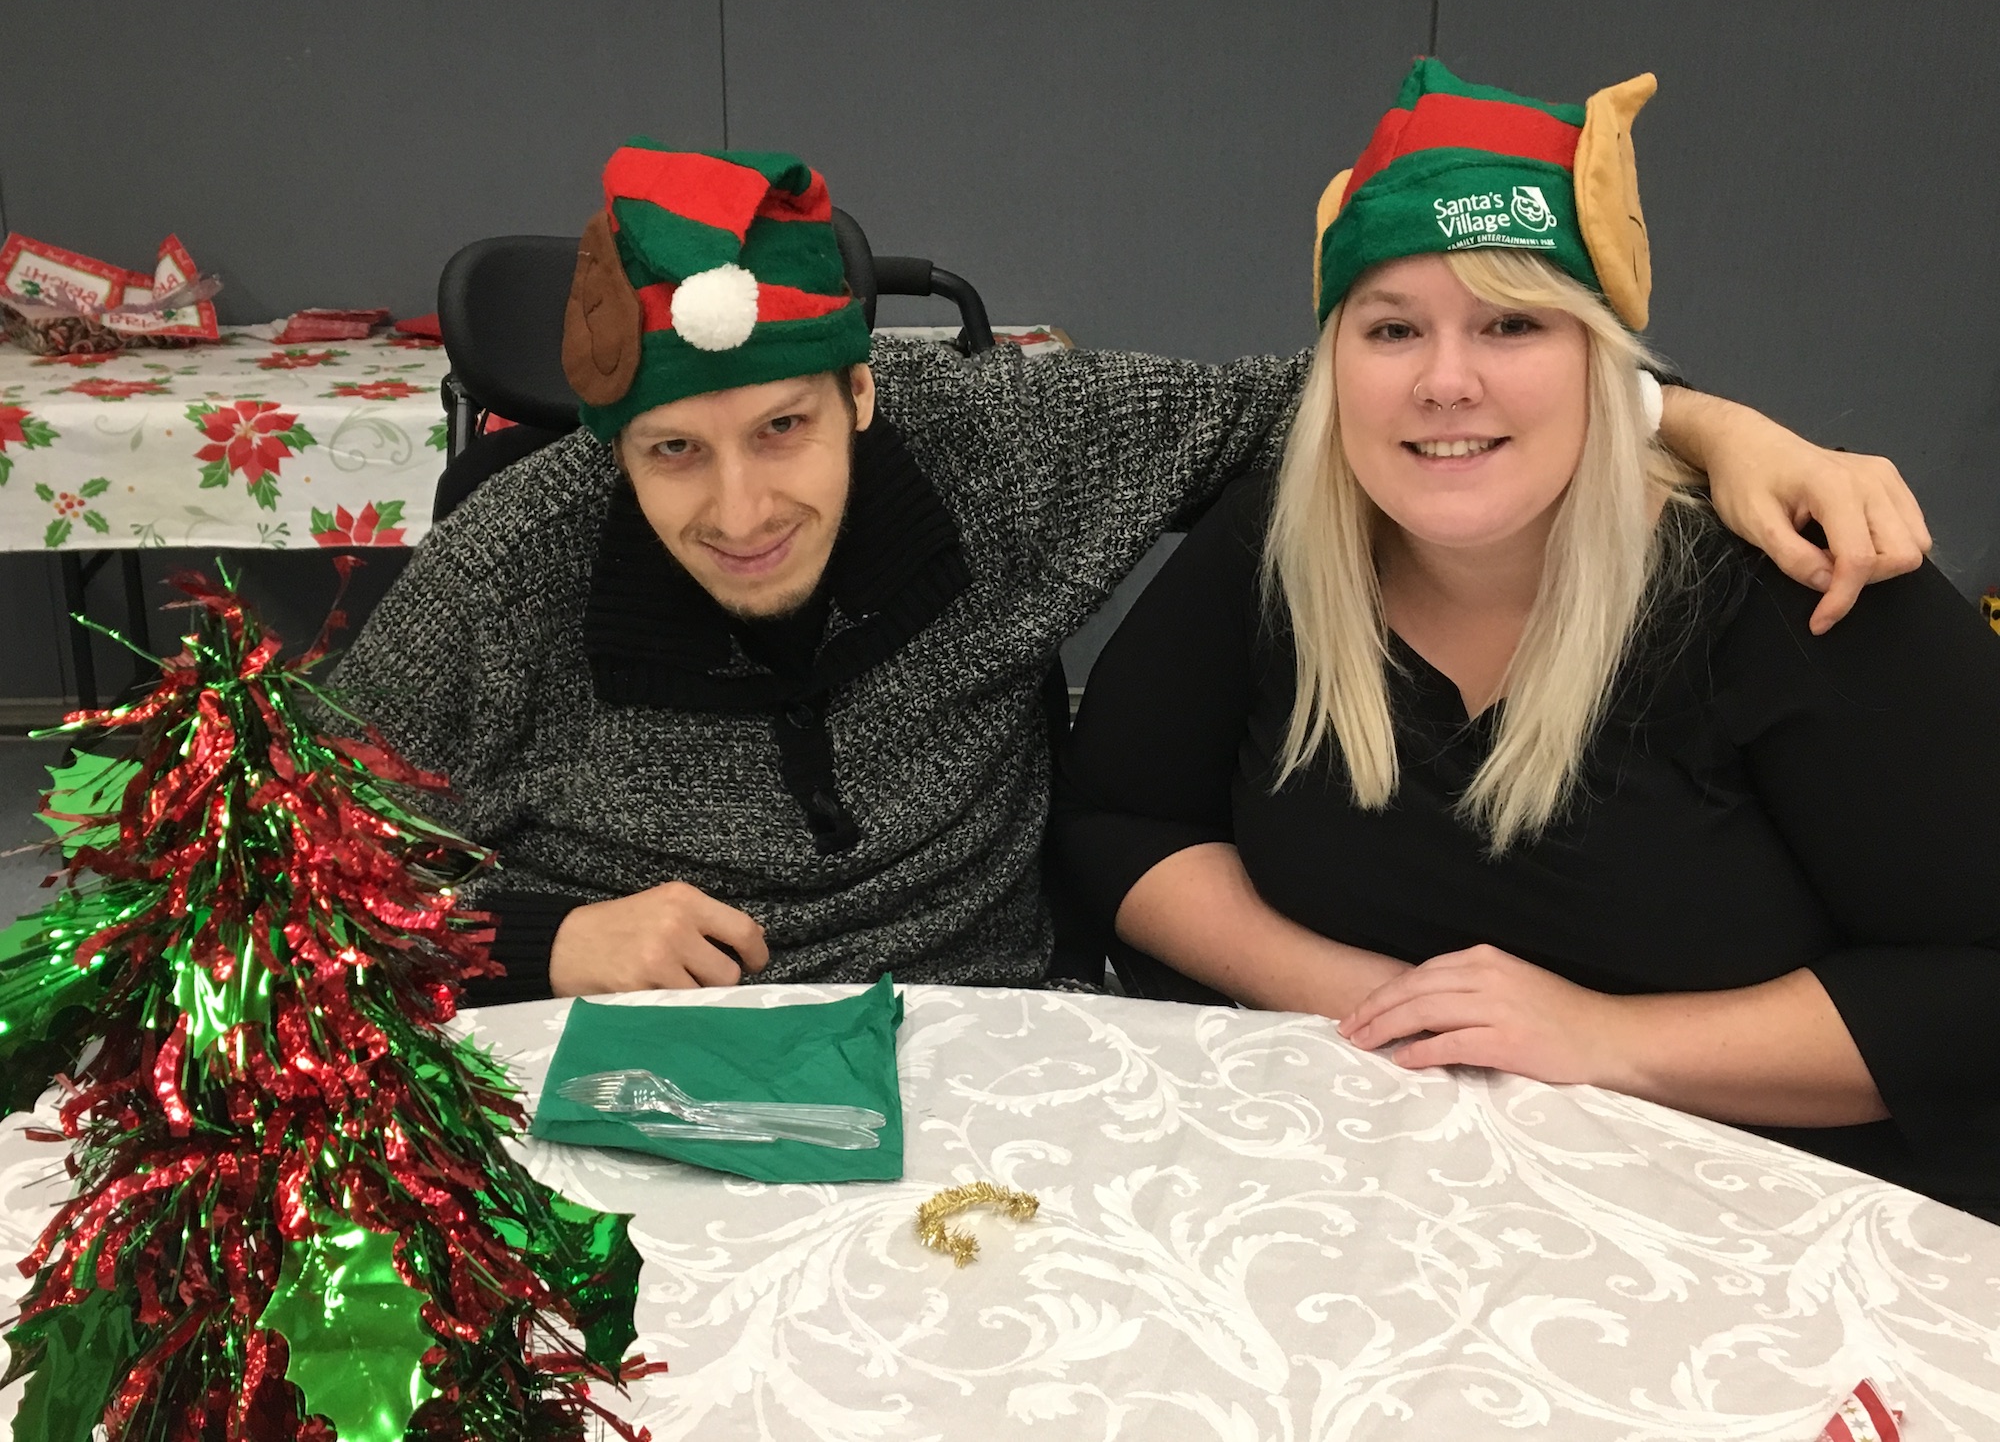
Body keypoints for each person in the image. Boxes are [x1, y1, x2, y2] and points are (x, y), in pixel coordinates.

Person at [332, 136, 1928, 1011]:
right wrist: (537, 937)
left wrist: (1699, 418)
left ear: (867, 396)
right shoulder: (514, 560)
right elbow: (218, 897)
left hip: (1002, 1057)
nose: (740, 504)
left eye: (785, 430)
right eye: (672, 454)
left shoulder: (1007, 439)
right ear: (605, 451)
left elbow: (1381, 412)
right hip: (632, 1085)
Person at [1051, 61, 2000, 1218]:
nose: (1445, 382)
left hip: (1752, 1234)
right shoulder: (1279, 549)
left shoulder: (1801, 586)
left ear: (1606, 362)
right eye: (1390, 328)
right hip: (1368, 1199)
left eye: (1511, 324)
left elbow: (1971, 985)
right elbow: (1119, 823)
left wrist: (1606, 1040)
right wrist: (1392, 1001)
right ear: (1332, 365)